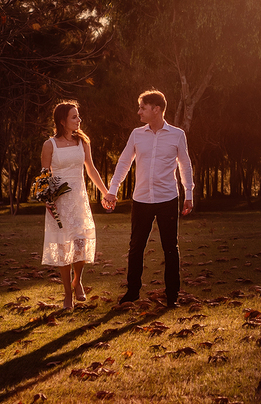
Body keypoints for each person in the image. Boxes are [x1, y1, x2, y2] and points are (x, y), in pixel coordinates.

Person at [102, 89, 193, 307]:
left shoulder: (177, 135)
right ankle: (132, 292)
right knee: (136, 247)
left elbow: (185, 165)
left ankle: (172, 296)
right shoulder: (136, 134)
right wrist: (113, 189)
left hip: (167, 198)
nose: (139, 112)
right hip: (141, 199)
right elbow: (124, 162)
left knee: (171, 247)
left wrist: (188, 193)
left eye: (143, 107)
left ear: (157, 109)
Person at [40, 101, 109, 311]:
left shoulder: (83, 142)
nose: (79, 120)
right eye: (74, 117)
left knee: (80, 242)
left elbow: (91, 169)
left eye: (78, 116)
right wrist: (47, 201)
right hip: (59, 201)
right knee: (63, 246)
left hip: (79, 198)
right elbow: (44, 176)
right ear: (62, 121)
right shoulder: (49, 145)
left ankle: (77, 280)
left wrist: (106, 192)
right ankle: (67, 294)